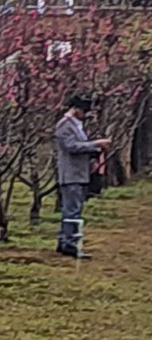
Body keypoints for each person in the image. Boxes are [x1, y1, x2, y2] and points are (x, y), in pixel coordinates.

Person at [55, 93, 110, 258]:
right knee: (72, 211)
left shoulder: (75, 125)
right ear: (76, 109)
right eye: (83, 110)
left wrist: (95, 151)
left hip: (79, 173)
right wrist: (95, 144)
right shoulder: (65, 125)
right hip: (71, 173)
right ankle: (70, 244)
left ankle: (64, 241)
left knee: (73, 209)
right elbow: (71, 146)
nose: (85, 114)